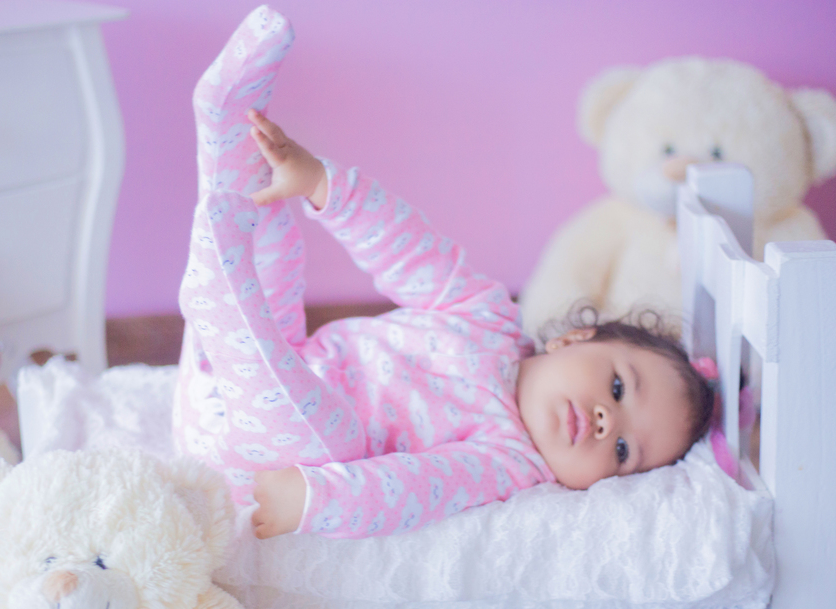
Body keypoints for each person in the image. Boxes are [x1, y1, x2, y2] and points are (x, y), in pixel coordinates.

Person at [175, 6, 714, 540]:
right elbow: (409, 252)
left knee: (331, 441)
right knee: (271, 239)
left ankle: (224, 300)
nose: (605, 423)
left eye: (623, 451)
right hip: (256, 365)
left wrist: (316, 499)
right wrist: (322, 185)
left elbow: (408, 487)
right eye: (618, 387)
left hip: (259, 446)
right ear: (576, 338)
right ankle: (228, 123)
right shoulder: (489, 316)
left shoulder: (508, 461)